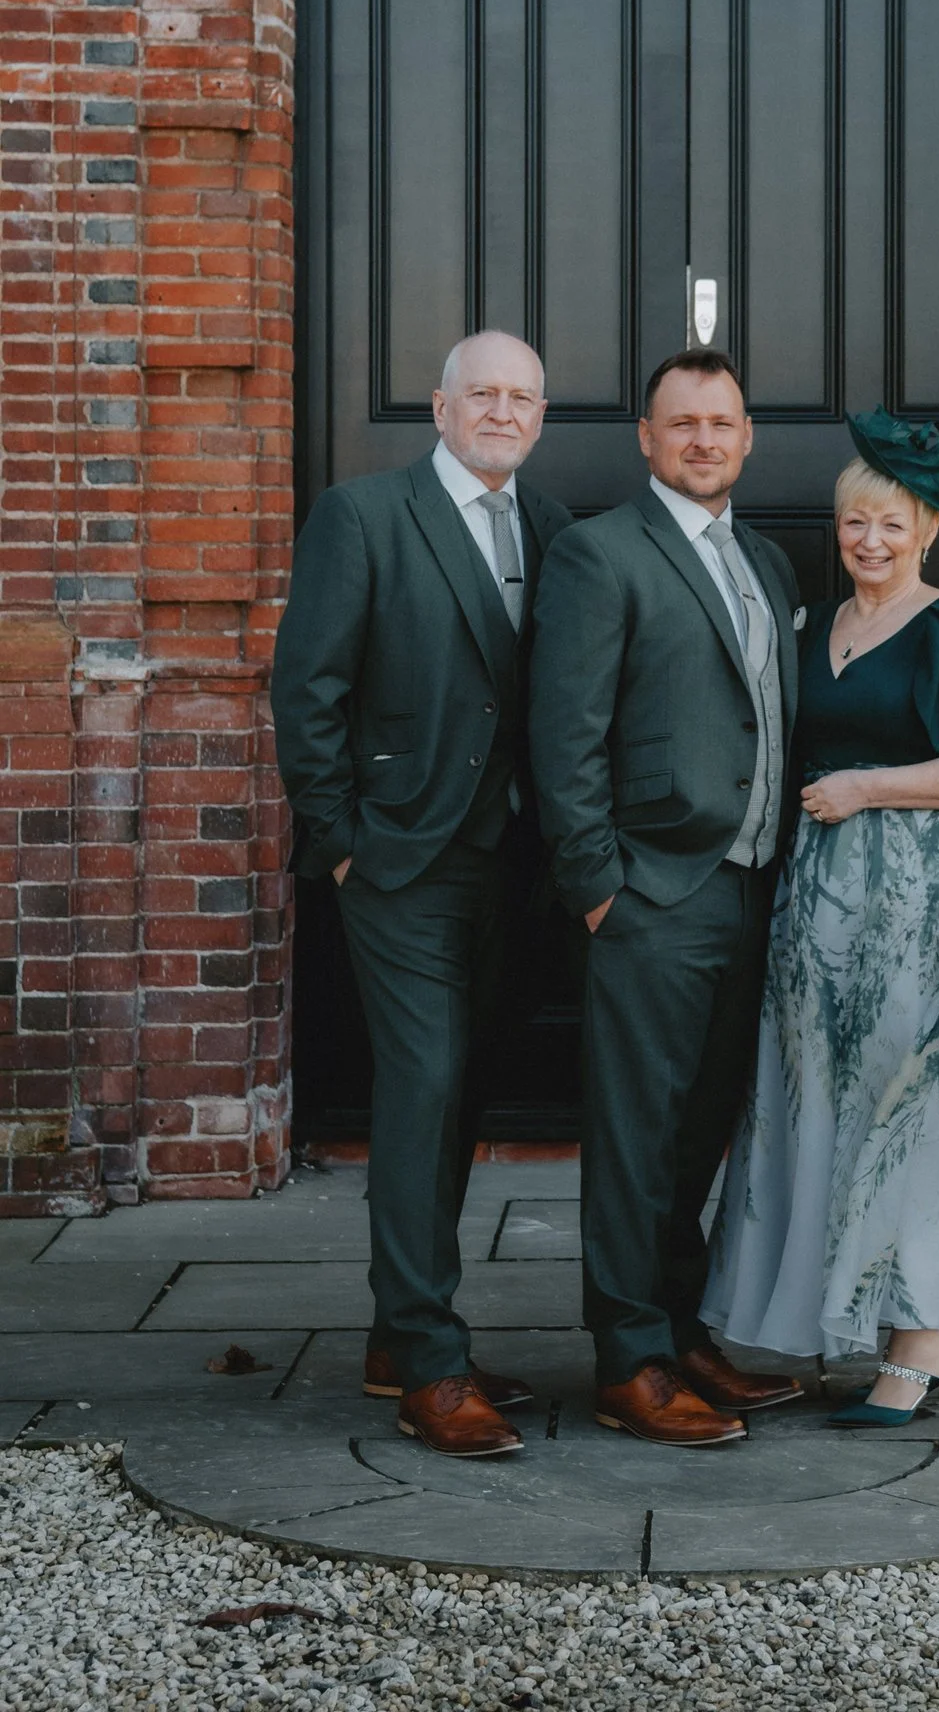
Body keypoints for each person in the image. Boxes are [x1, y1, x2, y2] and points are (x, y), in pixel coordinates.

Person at [271, 331, 571, 1459]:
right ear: (439, 407)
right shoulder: (364, 515)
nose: (502, 410)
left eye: (521, 396)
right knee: (424, 1080)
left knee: (463, 1088)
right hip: (397, 856)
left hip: (509, 858)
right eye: (482, 392)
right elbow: (306, 685)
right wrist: (339, 838)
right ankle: (430, 1366)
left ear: (540, 415)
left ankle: (402, 1334)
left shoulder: (548, 527)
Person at [701, 410, 939, 1428]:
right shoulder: (818, 625)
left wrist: (868, 787)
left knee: (906, 1110)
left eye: (891, 523)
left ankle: (921, 1342)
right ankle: (826, 1318)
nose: (871, 542)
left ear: (926, 527)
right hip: (816, 904)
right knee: (809, 1104)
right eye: (855, 523)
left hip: (916, 904)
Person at [529, 349, 806, 1446]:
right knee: (637, 1134)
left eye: (722, 422)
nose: (703, 438)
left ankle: (682, 1328)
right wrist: (599, 884)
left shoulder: (768, 564)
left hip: (748, 890)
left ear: (746, 438)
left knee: (700, 1132)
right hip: (650, 891)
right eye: (681, 421)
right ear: (646, 438)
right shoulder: (602, 553)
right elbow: (564, 732)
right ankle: (628, 1356)